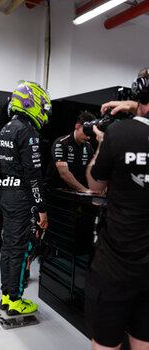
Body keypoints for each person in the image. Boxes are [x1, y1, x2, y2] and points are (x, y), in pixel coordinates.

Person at [84, 71, 149, 350]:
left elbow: (95, 184)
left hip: (116, 266)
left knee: (107, 343)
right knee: (143, 341)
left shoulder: (118, 133)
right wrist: (135, 105)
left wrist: (101, 144)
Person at [0, 80, 52, 315]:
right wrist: (41, 209)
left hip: (6, 194)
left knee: (8, 247)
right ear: (32, 102)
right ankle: (16, 300)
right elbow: (33, 174)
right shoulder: (28, 131)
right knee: (20, 249)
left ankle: (7, 297)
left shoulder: (5, 128)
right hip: (21, 199)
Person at [49, 111, 96, 192]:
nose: (88, 136)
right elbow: (64, 173)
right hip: (57, 191)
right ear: (77, 127)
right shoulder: (61, 142)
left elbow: (93, 170)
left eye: (91, 132)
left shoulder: (88, 146)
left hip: (77, 192)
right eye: (86, 131)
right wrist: (84, 190)